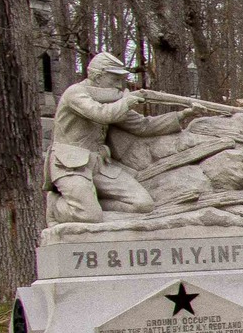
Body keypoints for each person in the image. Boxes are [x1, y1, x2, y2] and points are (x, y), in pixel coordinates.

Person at [47, 53, 195, 224]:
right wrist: (127, 101)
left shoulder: (114, 102)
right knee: (88, 217)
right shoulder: (75, 93)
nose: (119, 85)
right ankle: (57, 205)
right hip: (71, 165)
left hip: (100, 165)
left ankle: (90, 205)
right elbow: (100, 114)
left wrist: (182, 114)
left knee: (143, 205)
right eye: (114, 79)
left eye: (121, 79)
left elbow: (142, 126)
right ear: (98, 76)